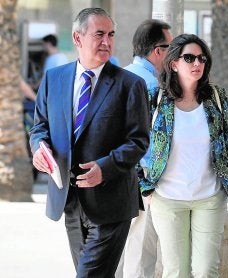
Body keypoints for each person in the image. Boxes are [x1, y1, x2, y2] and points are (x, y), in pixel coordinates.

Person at [29, 7, 150, 277]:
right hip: (70, 201)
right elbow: (39, 128)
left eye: (111, 34)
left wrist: (104, 169)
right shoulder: (54, 79)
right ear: (77, 38)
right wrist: (39, 148)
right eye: (99, 34)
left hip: (112, 203)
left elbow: (139, 141)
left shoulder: (130, 84)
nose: (107, 41)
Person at [138, 33, 228, 278]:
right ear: (173, 63)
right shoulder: (156, 99)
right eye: (190, 58)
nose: (197, 63)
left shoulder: (216, 97)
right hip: (168, 197)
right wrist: (145, 186)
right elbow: (138, 144)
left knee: (206, 270)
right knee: (176, 271)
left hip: (209, 197)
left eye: (202, 58)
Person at [115, 19, 172, 278]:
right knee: (141, 253)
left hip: (113, 175)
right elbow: (150, 138)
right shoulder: (151, 86)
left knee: (114, 251)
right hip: (142, 180)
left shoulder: (117, 77)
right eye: (170, 47)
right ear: (157, 50)